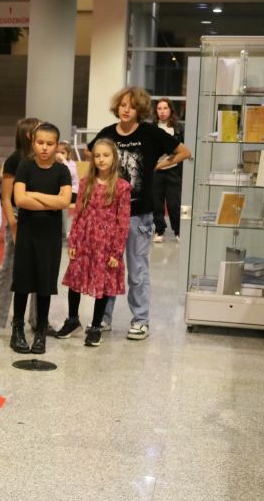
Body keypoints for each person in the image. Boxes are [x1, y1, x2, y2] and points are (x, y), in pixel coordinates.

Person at [88, 87, 191, 340]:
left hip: (139, 214)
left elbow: (184, 152)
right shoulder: (107, 134)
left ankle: (141, 320)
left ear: (140, 110)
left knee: (137, 271)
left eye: (132, 106)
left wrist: (161, 164)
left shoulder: (150, 133)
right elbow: (93, 154)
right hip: (108, 215)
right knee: (109, 268)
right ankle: (103, 317)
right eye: (123, 104)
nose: (126, 110)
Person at [55, 138, 131, 347]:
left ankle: (96, 325)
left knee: (103, 285)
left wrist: (116, 252)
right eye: (97, 156)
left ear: (114, 158)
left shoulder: (122, 187)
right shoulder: (87, 181)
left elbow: (122, 222)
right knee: (75, 280)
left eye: (106, 155)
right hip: (85, 241)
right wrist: (73, 242)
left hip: (106, 245)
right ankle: (72, 320)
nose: (101, 159)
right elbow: (78, 213)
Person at [10, 122, 72, 355]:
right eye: (40, 143)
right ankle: (17, 329)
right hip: (27, 233)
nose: (44, 148)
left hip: (50, 236)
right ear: (33, 142)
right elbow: (20, 200)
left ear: (57, 145)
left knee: (45, 284)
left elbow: (64, 202)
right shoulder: (25, 167)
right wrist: (48, 200)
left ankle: (40, 332)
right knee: (23, 282)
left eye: (50, 144)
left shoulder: (62, 170)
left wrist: (34, 195)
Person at [0, 117, 40, 337]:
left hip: (39, 218)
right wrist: (13, 226)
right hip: (18, 217)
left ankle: (36, 319)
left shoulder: (43, 161)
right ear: (28, 135)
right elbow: (6, 198)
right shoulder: (14, 160)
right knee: (9, 270)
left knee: (38, 271)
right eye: (38, 131)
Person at [151, 97, 185, 243]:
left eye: (165, 108)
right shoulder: (151, 128)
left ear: (170, 110)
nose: (162, 111)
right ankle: (159, 230)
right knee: (156, 202)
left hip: (173, 169)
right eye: (159, 109)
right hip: (156, 170)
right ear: (156, 111)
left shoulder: (178, 128)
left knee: (174, 203)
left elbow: (183, 148)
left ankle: (178, 231)